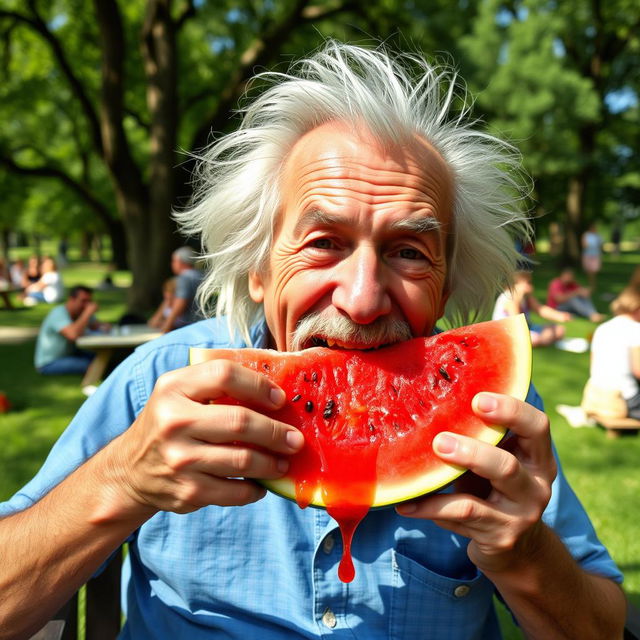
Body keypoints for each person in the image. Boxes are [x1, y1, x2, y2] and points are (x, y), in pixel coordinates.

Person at [0, 43, 625, 639]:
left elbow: (604, 627)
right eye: (324, 242)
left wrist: (527, 555)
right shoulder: (157, 383)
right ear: (260, 265)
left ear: (447, 284)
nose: (361, 298)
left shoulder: (498, 424)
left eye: (409, 252)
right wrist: (121, 481)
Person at [581, 286, 640, 420]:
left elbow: (593, 363)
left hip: (595, 393)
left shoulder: (602, 328)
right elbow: (638, 370)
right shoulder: (636, 329)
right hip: (622, 398)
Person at [34, 285, 109, 375]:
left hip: (71, 355)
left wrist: (103, 325)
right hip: (49, 363)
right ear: (71, 299)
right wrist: (88, 313)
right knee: (95, 365)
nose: (86, 305)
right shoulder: (58, 313)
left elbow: (98, 326)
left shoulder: (80, 313)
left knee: (102, 359)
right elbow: (73, 335)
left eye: (89, 302)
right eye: (83, 301)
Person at [492, 270, 571, 347]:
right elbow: (517, 321)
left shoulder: (526, 298)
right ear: (515, 285)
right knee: (536, 338)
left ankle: (543, 339)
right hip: (509, 330)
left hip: (527, 327)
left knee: (559, 329)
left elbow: (541, 309)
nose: (530, 286)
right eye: (527, 283)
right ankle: (541, 339)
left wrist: (559, 316)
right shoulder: (509, 298)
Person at [157, 246, 203, 332]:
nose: (172, 264)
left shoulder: (184, 278)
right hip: (203, 323)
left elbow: (180, 304)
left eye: (174, 261)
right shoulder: (201, 275)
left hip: (188, 326)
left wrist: (167, 327)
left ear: (181, 262)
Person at [581, 223, 603, 290]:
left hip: (596, 255)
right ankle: (591, 284)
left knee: (594, 270)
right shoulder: (586, 235)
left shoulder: (598, 236)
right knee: (589, 270)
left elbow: (600, 245)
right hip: (588, 255)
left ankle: (592, 284)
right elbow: (584, 245)